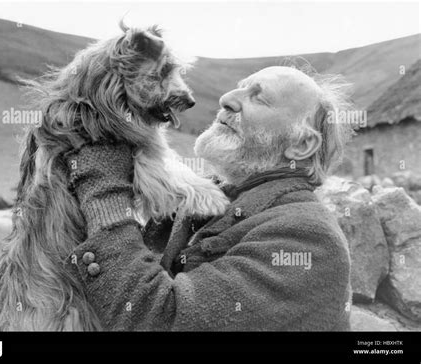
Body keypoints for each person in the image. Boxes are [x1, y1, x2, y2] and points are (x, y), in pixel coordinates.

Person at [65, 66, 353, 330]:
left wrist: (102, 183)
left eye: (259, 98)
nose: (227, 98)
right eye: (239, 87)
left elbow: (162, 318)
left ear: (302, 144)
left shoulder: (308, 240)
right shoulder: (205, 200)